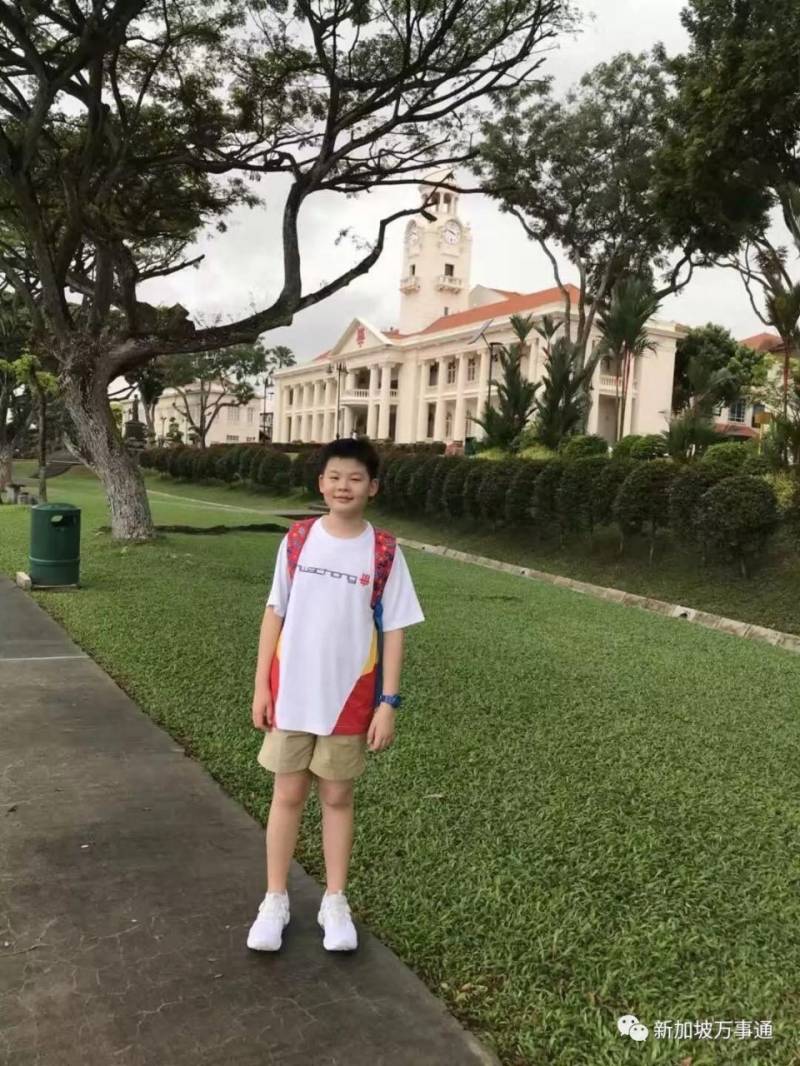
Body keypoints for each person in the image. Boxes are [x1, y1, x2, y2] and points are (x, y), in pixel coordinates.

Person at [247, 437, 425, 953]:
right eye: (334, 477)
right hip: (290, 695)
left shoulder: (384, 550)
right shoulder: (298, 539)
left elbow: (394, 630)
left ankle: (335, 900)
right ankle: (275, 899)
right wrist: (261, 686)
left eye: (355, 478)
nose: (344, 486)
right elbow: (275, 612)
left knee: (337, 797)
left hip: (350, 700)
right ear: (320, 484)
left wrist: (388, 704)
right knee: (287, 794)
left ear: (373, 487)